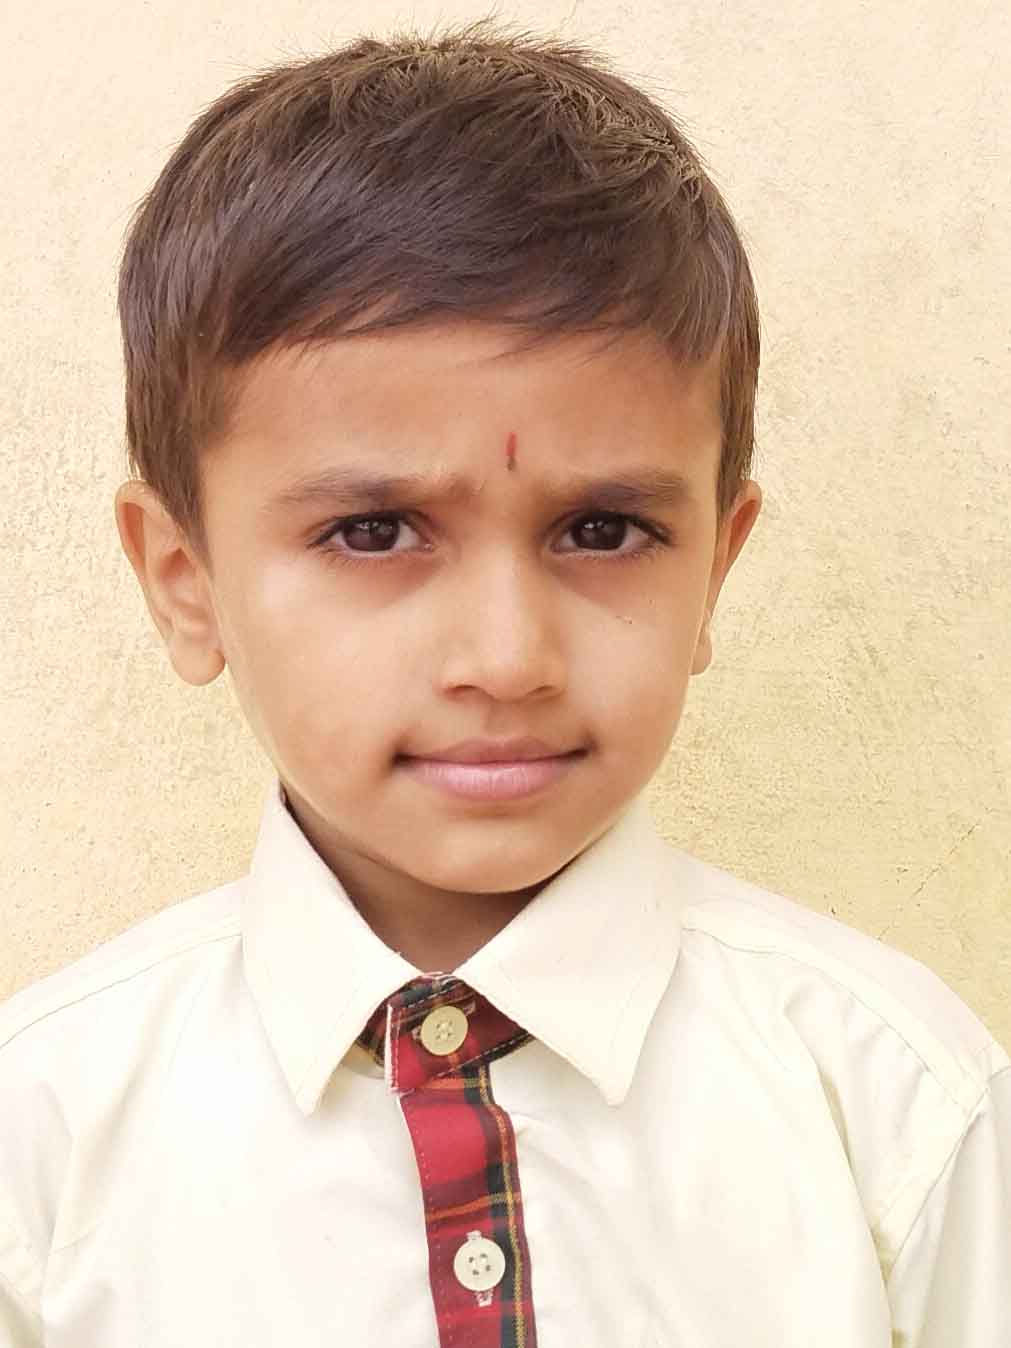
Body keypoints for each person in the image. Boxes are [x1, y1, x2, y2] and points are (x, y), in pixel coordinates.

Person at [1, 17, 1007, 1347]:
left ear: (715, 566)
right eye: (374, 532)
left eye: (604, 530)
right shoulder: (45, 1138)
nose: (508, 659)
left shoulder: (896, 1104)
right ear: (186, 581)